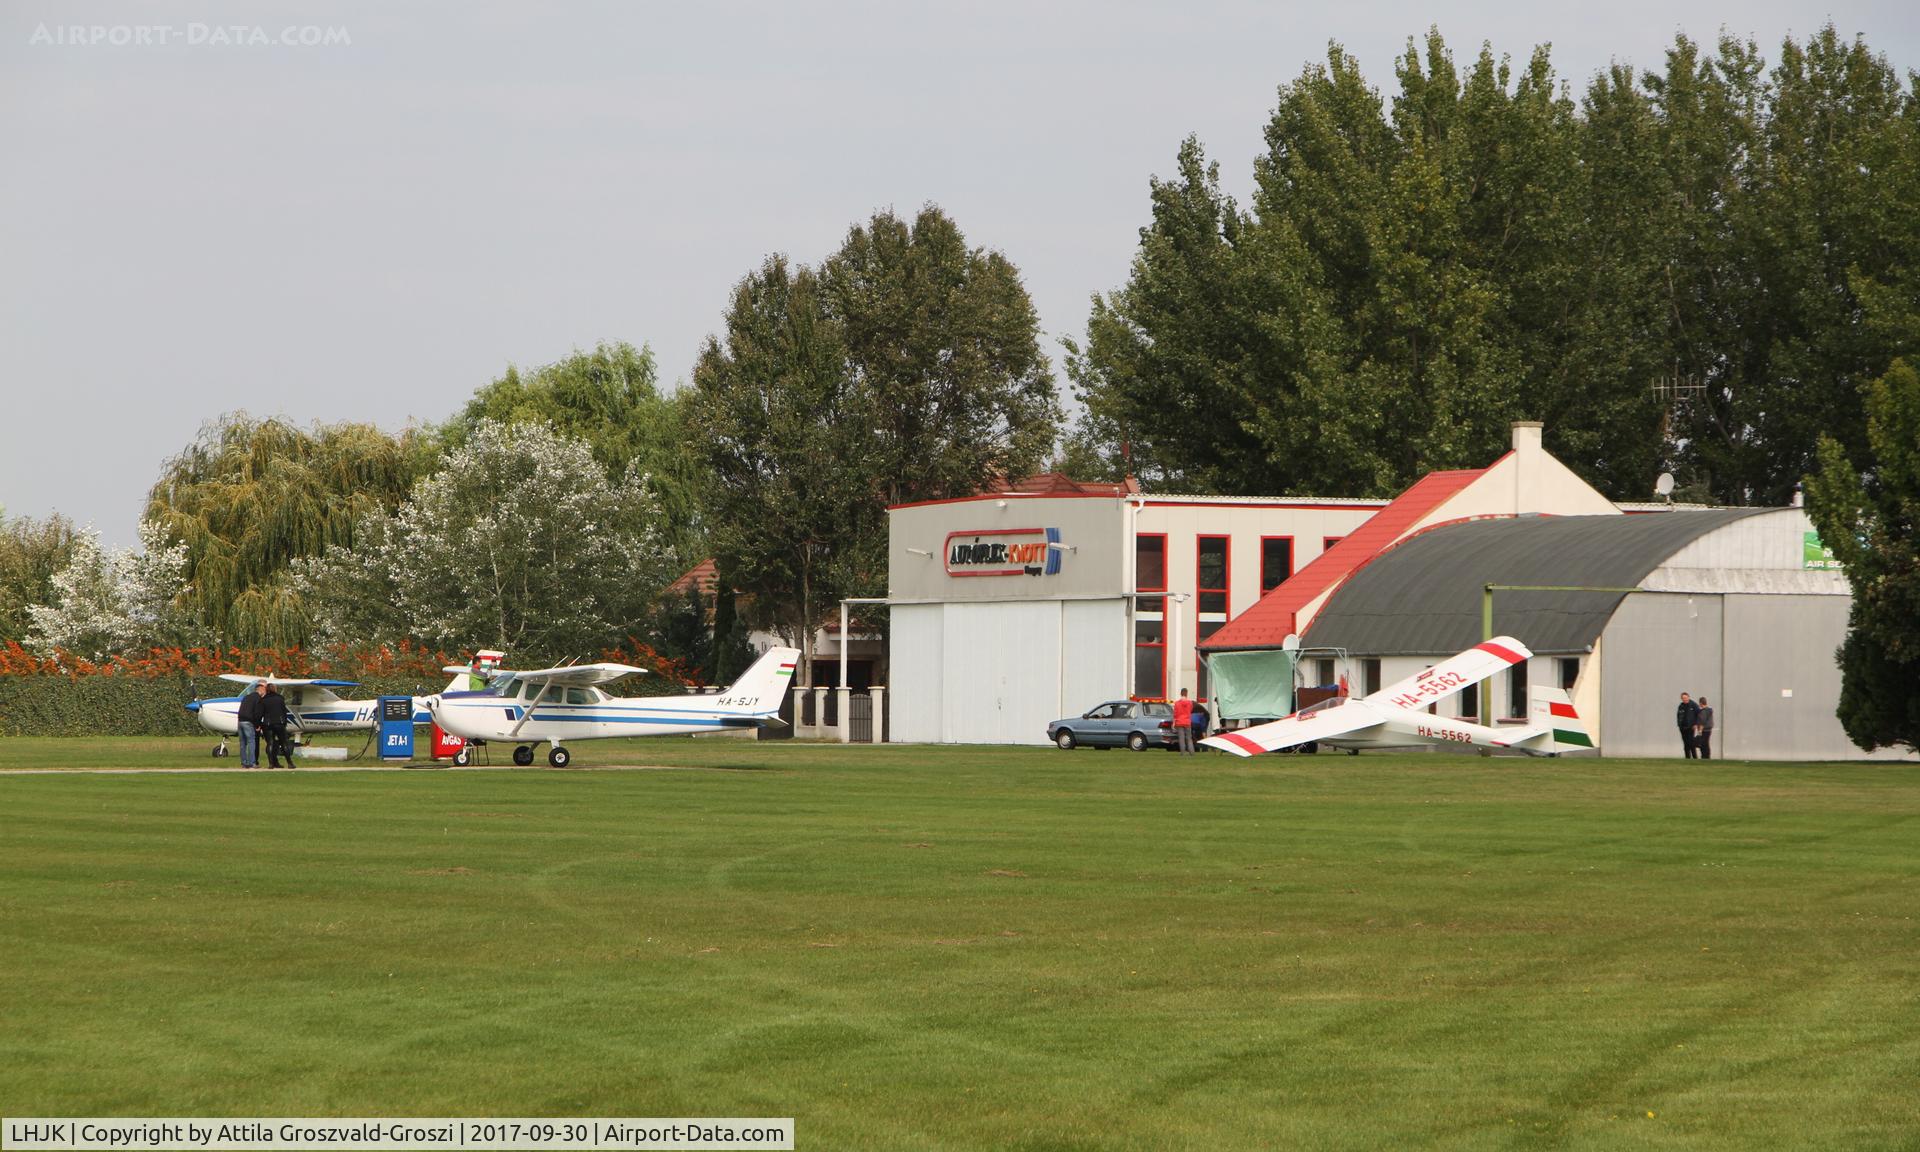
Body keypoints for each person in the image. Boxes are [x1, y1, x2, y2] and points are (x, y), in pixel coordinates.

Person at [259, 682, 293, 769]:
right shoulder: (280, 698)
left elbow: (261, 713)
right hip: (279, 723)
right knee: (284, 743)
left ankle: (271, 764)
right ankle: (290, 763)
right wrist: (284, 722)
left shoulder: (263, 700)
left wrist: (259, 724)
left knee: (270, 743)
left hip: (268, 723)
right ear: (274, 689)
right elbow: (284, 712)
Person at [236, 680, 264, 769]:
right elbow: (257, 713)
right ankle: (252, 763)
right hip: (248, 722)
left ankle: (244, 763)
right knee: (251, 742)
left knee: (243, 743)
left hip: (240, 721)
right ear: (261, 690)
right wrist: (257, 725)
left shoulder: (246, 697)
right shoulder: (258, 699)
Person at [1172, 688, 1196, 755]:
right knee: (1189, 738)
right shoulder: (1190, 703)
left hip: (1179, 721)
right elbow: (1190, 711)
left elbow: (1175, 714)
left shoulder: (1177, 703)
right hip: (1187, 721)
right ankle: (1192, 752)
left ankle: (1183, 752)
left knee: (1181, 738)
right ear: (1187, 694)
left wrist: (1173, 723)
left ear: (1181, 693)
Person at [1676, 691, 1700, 758]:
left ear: (1688, 697)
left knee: (1691, 743)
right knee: (1686, 743)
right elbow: (1678, 716)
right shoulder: (1681, 706)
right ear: (1681, 699)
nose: (1685, 699)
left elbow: (1699, 715)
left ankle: (1695, 757)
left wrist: (1696, 724)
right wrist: (1679, 725)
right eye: (1683, 698)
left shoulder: (1693, 705)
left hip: (1691, 727)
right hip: (1683, 728)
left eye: (1686, 698)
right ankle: (1687, 757)